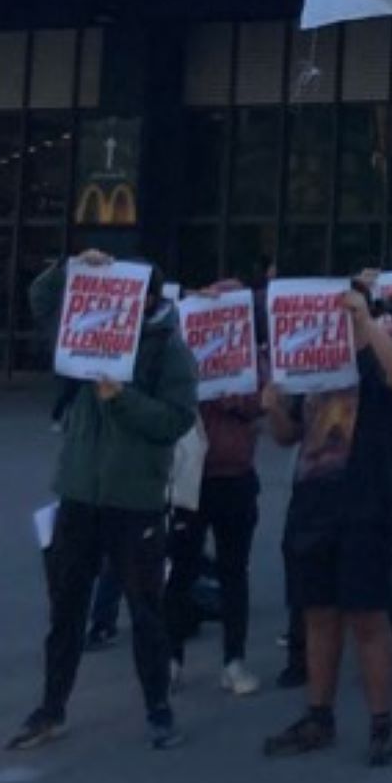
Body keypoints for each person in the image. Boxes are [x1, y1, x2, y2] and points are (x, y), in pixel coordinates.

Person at [7, 255, 198, 751]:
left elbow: (174, 420)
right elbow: (41, 300)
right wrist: (69, 268)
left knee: (145, 610)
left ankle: (158, 708)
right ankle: (51, 708)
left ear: (151, 302)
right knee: (66, 608)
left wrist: (122, 399)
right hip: (79, 492)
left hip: (135, 500)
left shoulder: (170, 351)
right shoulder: (86, 334)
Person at [262, 280, 392, 767]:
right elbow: (287, 435)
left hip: (366, 501)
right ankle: (318, 715)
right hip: (312, 500)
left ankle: (381, 722)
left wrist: (363, 323)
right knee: (318, 612)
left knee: (368, 615)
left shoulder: (377, 347)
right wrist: (271, 404)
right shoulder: (302, 360)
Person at [162, 280, 266, 698]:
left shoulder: (251, 358)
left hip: (235, 475)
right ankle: (170, 657)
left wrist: (233, 399)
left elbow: (264, 401)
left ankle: (233, 660)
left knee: (233, 571)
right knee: (181, 570)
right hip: (192, 477)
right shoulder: (182, 347)